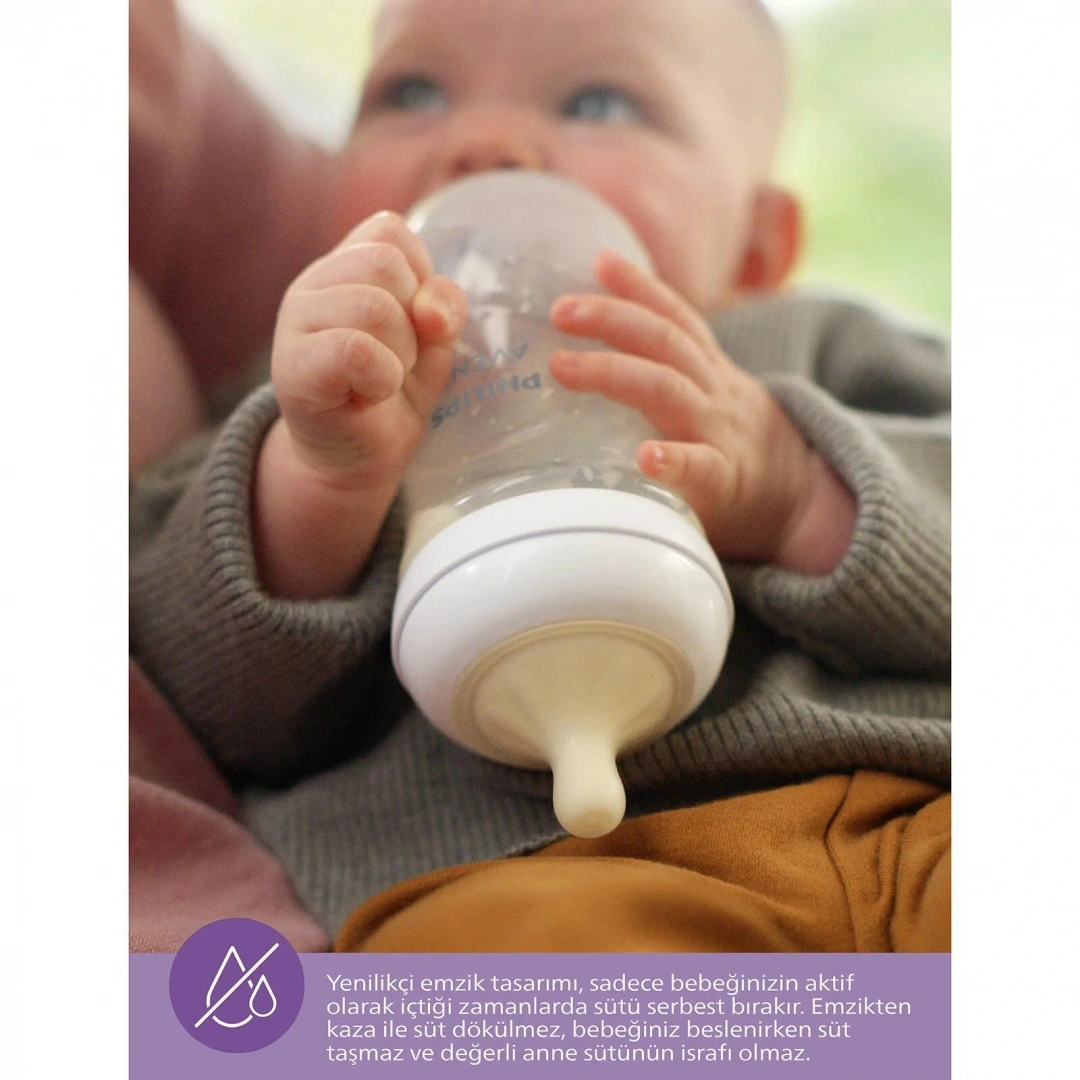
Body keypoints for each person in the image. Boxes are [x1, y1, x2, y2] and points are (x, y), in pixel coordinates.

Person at [131, 0, 950, 951]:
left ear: (758, 247)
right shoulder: (320, 395)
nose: (482, 142)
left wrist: (796, 484)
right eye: (412, 93)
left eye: (599, 103)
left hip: (904, 810)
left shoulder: (811, 352)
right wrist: (318, 482)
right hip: (523, 877)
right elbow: (188, 697)